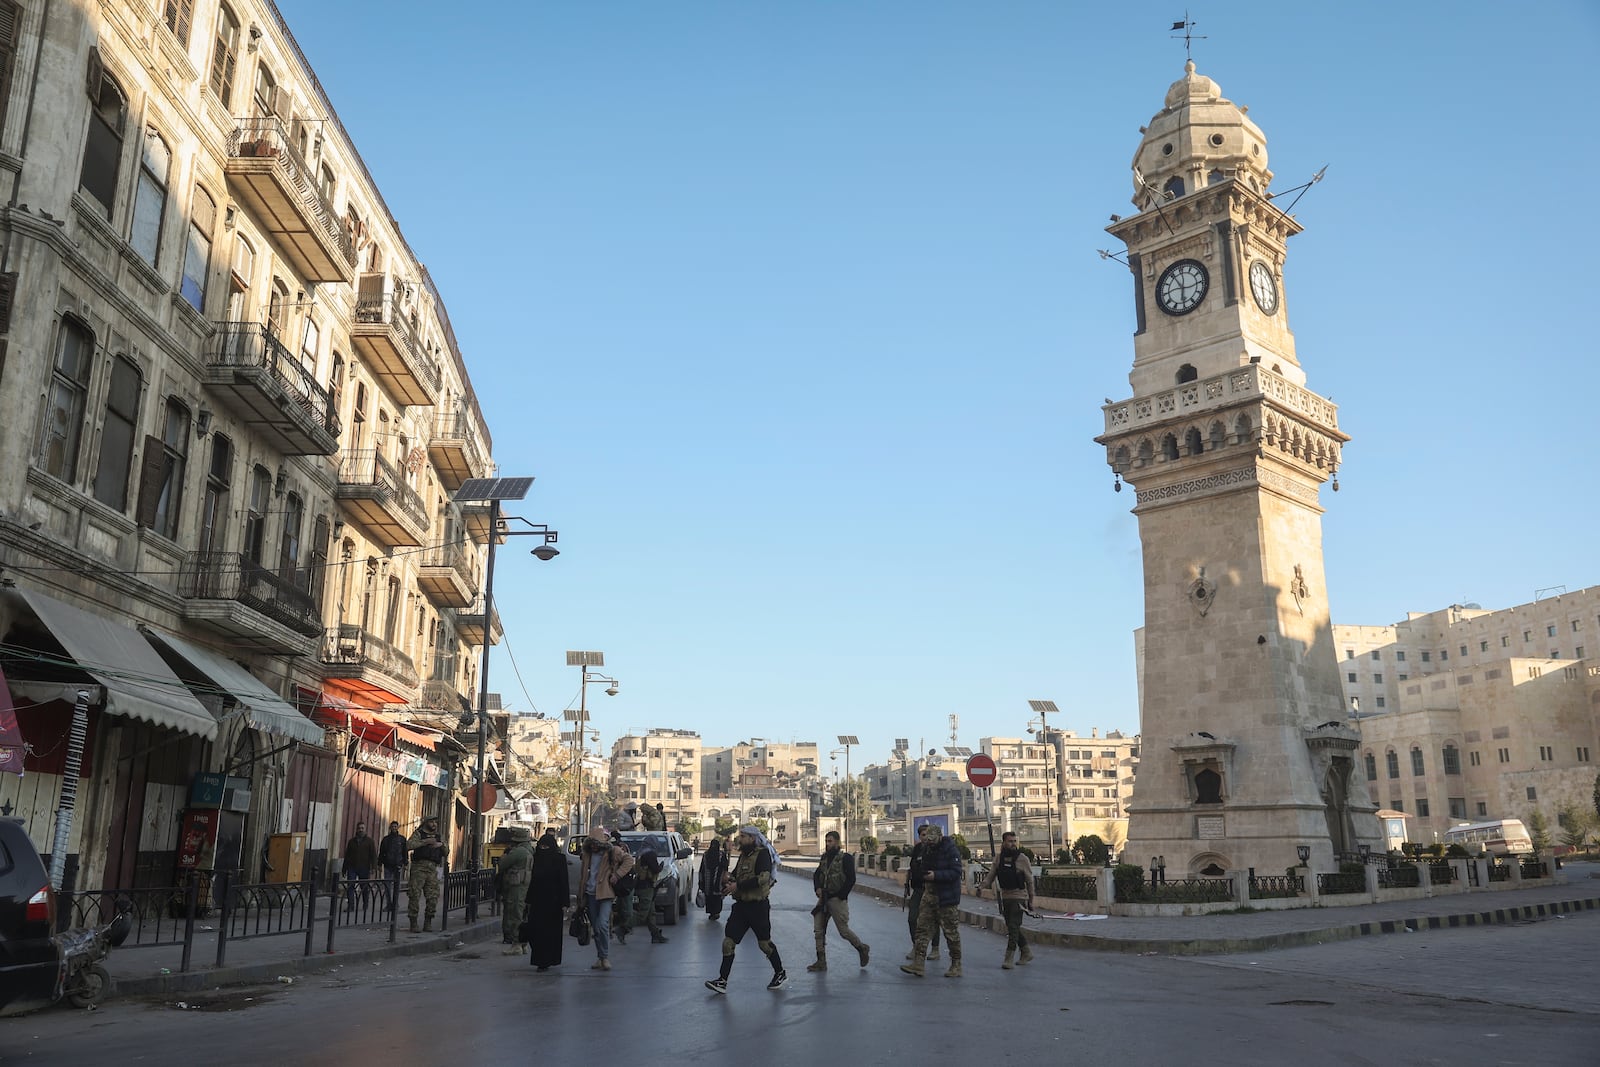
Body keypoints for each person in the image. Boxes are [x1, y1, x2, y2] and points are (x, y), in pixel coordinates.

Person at [704, 826, 787, 994]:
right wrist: (728, 880)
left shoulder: (762, 854)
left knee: (764, 944)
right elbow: (736, 876)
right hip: (741, 906)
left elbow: (763, 878)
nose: (739, 839)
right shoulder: (744, 855)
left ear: (752, 838)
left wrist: (737, 885)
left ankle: (780, 972)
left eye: (743, 836)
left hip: (758, 907)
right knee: (728, 942)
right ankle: (722, 980)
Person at [900, 822, 963, 978]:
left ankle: (956, 964)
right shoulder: (926, 849)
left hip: (946, 897)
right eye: (928, 841)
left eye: (932, 841)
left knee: (951, 933)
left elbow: (956, 872)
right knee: (922, 929)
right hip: (929, 895)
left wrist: (936, 875)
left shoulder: (951, 850)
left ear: (940, 837)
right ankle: (918, 963)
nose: (930, 843)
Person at [809, 830, 869, 971]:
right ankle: (821, 961)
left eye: (830, 841)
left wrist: (841, 895)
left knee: (843, 931)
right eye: (826, 841)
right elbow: (817, 874)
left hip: (837, 900)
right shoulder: (824, 858)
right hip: (824, 899)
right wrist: (817, 888)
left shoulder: (846, 858)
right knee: (818, 930)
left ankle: (862, 948)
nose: (827, 844)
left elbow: (851, 879)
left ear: (837, 842)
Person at [578, 824, 634, 971]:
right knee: (596, 927)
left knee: (603, 924)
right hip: (590, 893)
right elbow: (584, 876)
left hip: (606, 893)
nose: (594, 847)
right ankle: (600, 957)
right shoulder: (587, 854)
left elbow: (629, 860)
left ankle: (606, 956)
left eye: (596, 845)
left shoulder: (612, 851)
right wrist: (580, 896)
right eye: (592, 845)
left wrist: (617, 874)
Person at [978, 831, 1036, 969]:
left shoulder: (1022, 859)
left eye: (1014, 841)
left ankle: (1008, 958)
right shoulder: (999, 859)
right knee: (1012, 926)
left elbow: (1030, 881)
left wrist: (1031, 900)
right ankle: (1026, 951)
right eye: (1010, 841)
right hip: (1006, 897)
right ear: (1004, 842)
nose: (1013, 844)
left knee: (1014, 927)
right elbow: (991, 876)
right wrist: (982, 886)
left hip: (1019, 898)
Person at [527, 829, 568, 972]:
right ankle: (539, 958)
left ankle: (547, 960)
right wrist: (528, 900)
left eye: (546, 847)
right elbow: (532, 881)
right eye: (541, 847)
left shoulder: (559, 860)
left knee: (551, 934)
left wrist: (564, 902)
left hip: (554, 903)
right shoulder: (536, 858)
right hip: (537, 902)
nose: (543, 850)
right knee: (535, 932)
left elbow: (563, 882)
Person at [496, 825, 535, 954]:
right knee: (523, 915)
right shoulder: (530, 850)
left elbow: (503, 865)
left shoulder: (518, 851)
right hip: (526, 886)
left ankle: (516, 944)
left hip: (517, 886)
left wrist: (503, 858)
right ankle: (523, 943)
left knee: (515, 914)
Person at [903, 832, 941, 961]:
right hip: (918, 889)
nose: (926, 837)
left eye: (928, 835)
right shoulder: (918, 849)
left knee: (933, 920)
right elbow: (912, 865)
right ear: (920, 836)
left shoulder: (936, 849)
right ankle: (916, 946)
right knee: (912, 918)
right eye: (923, 835)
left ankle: (935, 949)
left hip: (932, 889)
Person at [406, 816, 446, 932]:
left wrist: (441, 845)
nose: (434, 824)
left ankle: (428, 921)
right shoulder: (419, 834)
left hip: (433, 869)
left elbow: (446, 851)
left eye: (435, 822)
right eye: (432, 822)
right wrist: (424, 842)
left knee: (433, 896)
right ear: (426, 823)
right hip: (419, 868)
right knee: (414, 895)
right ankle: (413, 922)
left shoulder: (438, 836)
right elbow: (409, 845)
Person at [630, 848, 669, 944]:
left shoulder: (640, 853)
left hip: (641, 886)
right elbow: (655, 869)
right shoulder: (650, 854)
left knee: (651, 913)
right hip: (646, 887)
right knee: (642, 915)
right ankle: (623, 928)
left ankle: (655, 934)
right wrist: (661, 867)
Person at [343, 822, 378, 911]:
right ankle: (351, 906)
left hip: (364, 867)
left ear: (365, 829)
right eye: (359, 828)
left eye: (362, 828)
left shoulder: (370, 841)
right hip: (352, 867)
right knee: (350, 886)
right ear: (357, 829)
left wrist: (373, 867)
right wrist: (344, 868)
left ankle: (365, 904)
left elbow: (373, 855)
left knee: (364, 887)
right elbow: (347, 855)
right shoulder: (352, 841)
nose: (361, 830)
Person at [698, 834, 729, 920]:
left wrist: (701, 881)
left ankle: (712, 913)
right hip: (718, 882)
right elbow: (725, 866)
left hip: (707, 881)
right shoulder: (721, 855)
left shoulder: (706, 854)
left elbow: (702, 869)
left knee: (710, 897)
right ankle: (716, 912)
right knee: (717, 898)